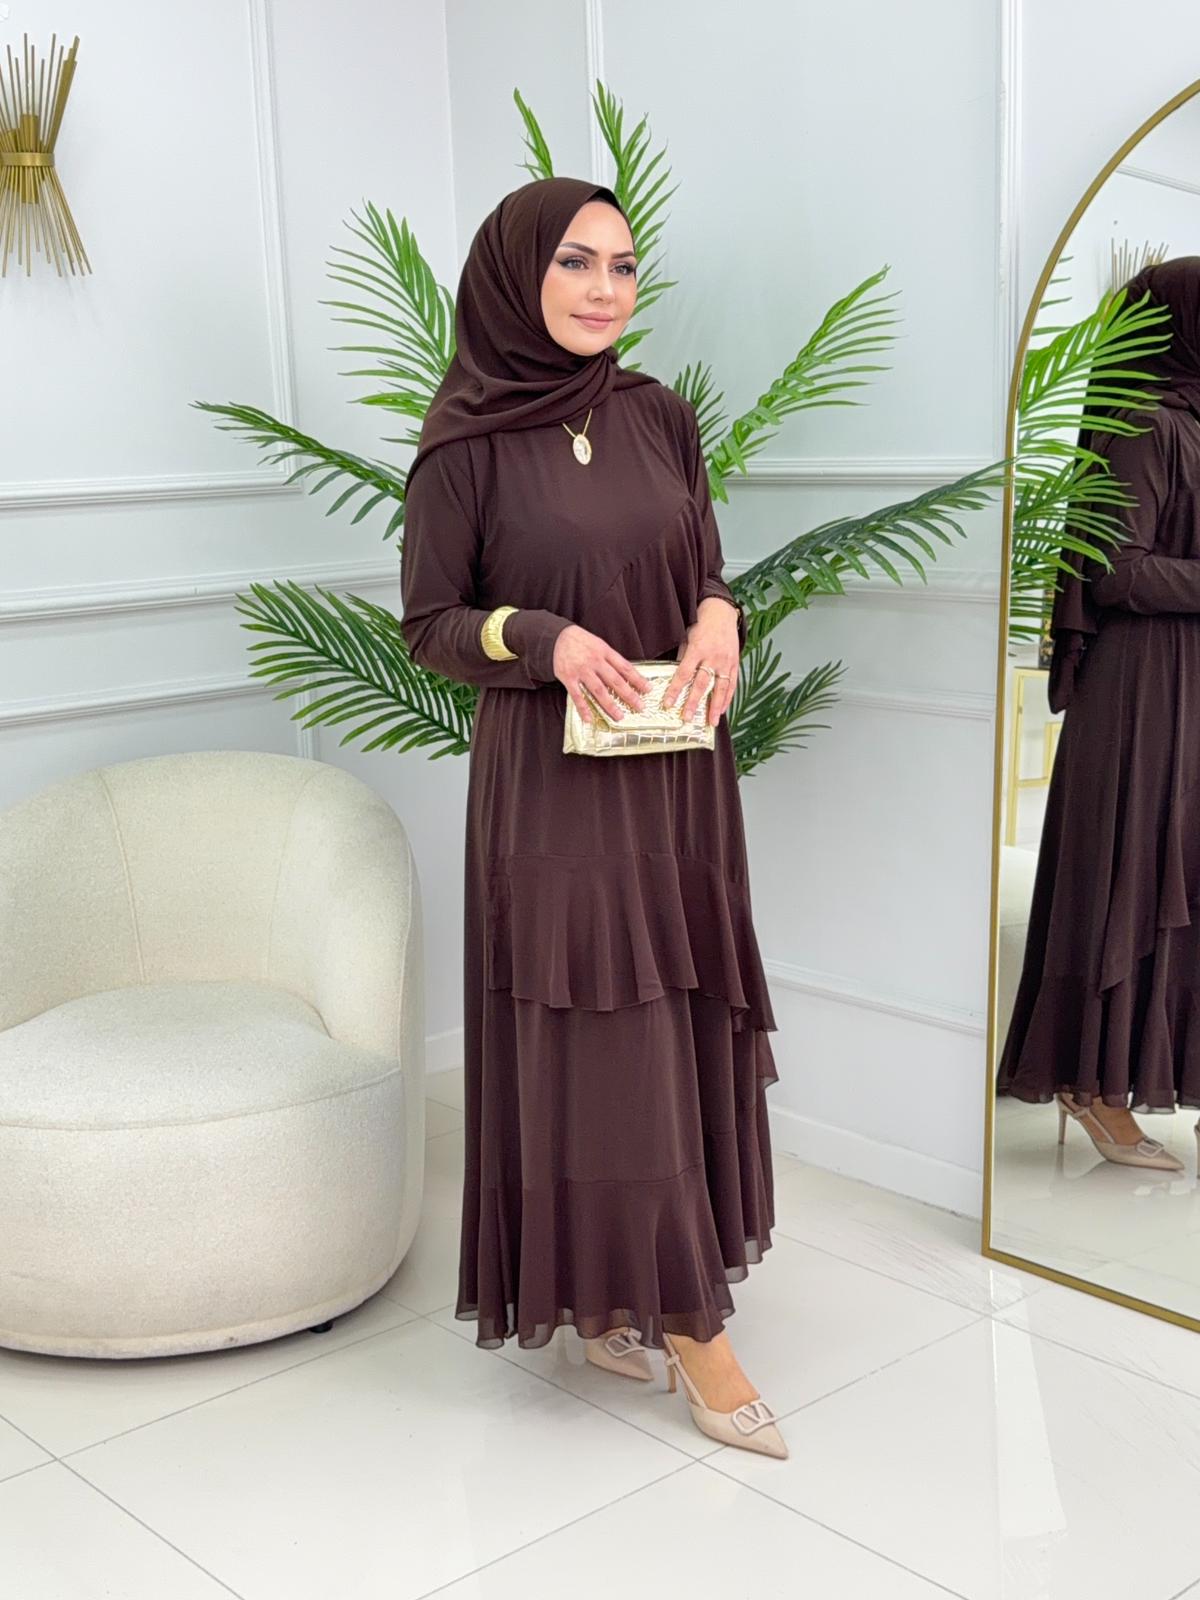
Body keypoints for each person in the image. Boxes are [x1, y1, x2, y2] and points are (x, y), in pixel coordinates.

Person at [399, 176, 787, 1458]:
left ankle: (615, 1288)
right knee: (604, 1038)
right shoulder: (463, 444)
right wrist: (545, 638)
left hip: (676, 766)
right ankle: (691, 1325)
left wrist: (721, 616)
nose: (604, 289)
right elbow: (431, 625)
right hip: (554, 782)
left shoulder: (659, 414)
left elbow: (705, 561)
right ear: (518, 275)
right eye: (575, 262)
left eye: (622, 266)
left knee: (671, 1020)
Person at [996, 256, 1200, 1173]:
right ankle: (1094, 1086)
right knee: (1131, 875)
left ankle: (1135, 1075)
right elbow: (1118, 570)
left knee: (1174, 875)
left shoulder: (1189, 419)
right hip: (1142, 687)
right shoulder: (1143, 423)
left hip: (1184, 679)